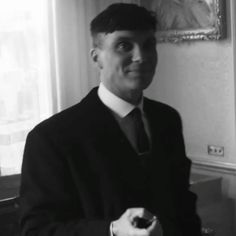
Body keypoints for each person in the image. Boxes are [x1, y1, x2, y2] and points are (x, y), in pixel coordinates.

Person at [19, 3, 202, 236]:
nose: (141, 56)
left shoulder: (168, 119)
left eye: (148, 45)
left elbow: (183, 205)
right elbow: (37, 230)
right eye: (124, 45)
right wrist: (112, 230)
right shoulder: (51, 138)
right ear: (97, 58)